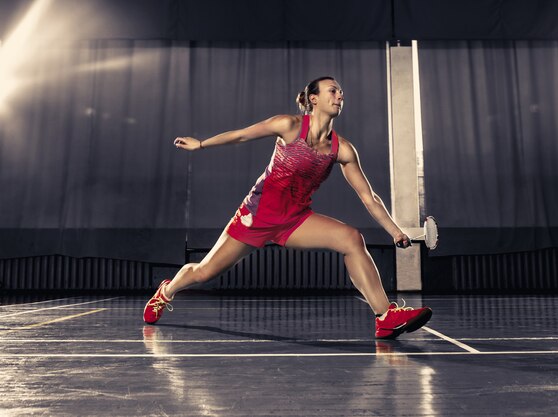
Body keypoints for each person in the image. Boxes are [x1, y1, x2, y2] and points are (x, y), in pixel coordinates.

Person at [143, 76, 432, 339]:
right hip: (256, 216)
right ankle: (166, 291)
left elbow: (369, 197)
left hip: (294, 220)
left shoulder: (342, 150)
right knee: (205, 272)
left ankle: (385, 316)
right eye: (333, 91)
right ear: (314, 99)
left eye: (341, 92)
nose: (340, 95)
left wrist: (395, 231)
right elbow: (242, 134)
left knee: (351, 239)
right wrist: (202, 144)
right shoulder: (289, 125)